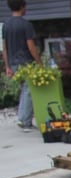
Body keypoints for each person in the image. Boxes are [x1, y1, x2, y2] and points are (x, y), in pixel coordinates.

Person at [2, 0, 42, 132]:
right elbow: (31, 46)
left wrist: (7, 66)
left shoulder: (6, 25)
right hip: (26, 63)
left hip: (13, 63)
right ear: (22, 6)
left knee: (25, 90)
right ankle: (24, 120)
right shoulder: (26, 25)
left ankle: (27, 120)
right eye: (25, 6)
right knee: (28, 90)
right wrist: (39, 62)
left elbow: (5, 48)